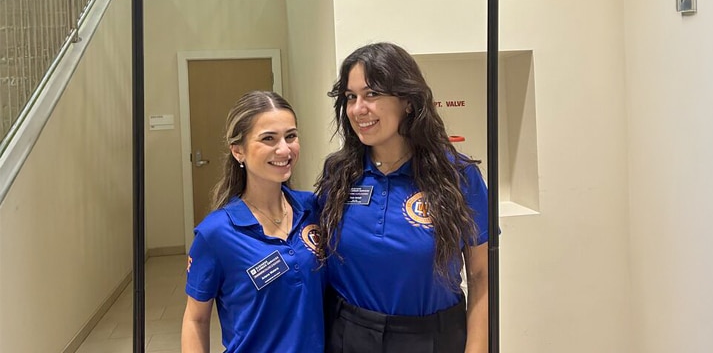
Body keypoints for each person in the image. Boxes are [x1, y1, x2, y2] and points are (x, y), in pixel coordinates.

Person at [316, 42, 489, 353]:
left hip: (432, 337)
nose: (358, 109)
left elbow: (481, 274)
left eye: (372, 94)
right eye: (351, 98)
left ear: (407, 101)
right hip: (351, 336)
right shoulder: (339, 173)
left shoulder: (458, 177)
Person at [181, 91, 325, 353]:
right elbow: (195, 318)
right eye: (268, 138)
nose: (284, 149)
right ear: (238, 151)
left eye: (290, 136)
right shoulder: (216, 234)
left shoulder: (313, 208)